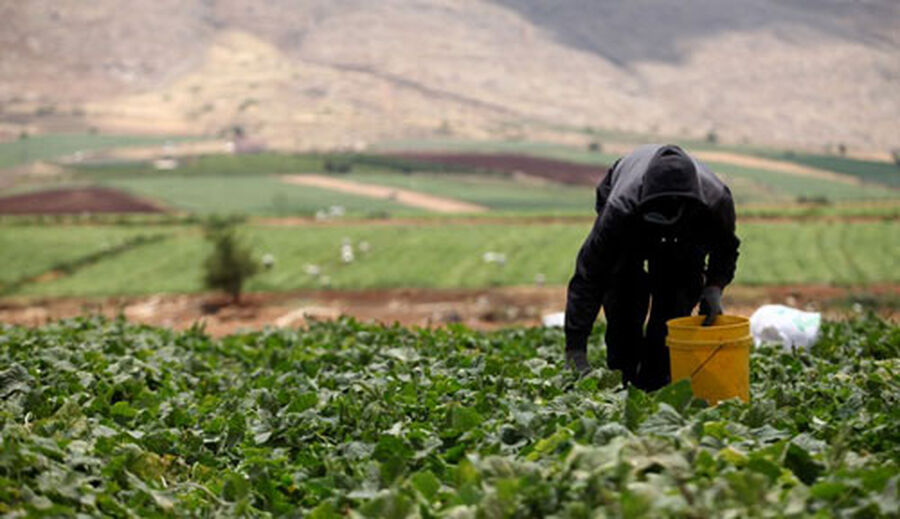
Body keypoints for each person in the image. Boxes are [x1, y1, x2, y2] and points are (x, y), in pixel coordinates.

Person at [564, 144, 740, 391]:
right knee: (623, 294)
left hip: (687, 230)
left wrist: (714, 287)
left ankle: (656, 379)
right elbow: (590, 274)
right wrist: (575, 348)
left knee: (676, 295)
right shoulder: (620, 207)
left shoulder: (715, 202)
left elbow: (726, 248)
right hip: (631, 218)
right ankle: (624, 378)